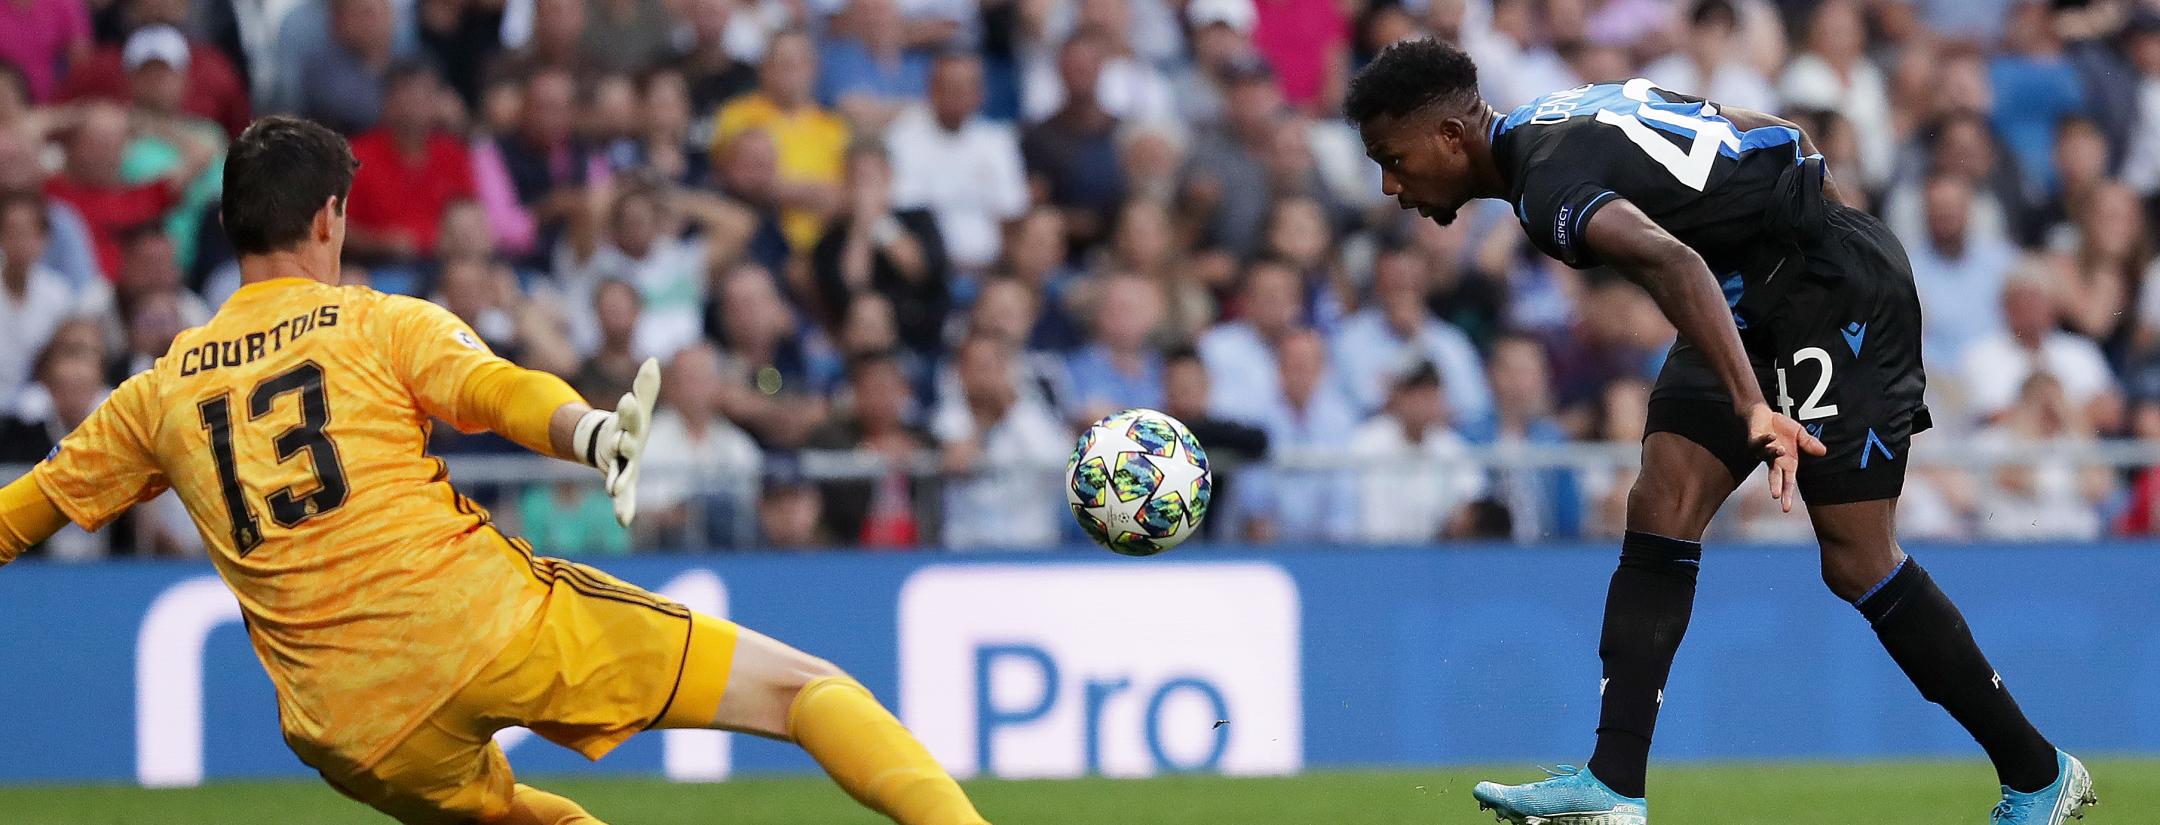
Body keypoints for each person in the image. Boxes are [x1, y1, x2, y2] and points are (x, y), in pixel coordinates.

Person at [0, 116, 992, 825]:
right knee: (809, 693)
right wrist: (590, 433)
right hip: (478, 624)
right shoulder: (376, 322)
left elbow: (19, 516)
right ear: (330, 220)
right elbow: (494, 390)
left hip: (351, 732)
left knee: (532, 819)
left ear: (228, 229)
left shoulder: (155, 391)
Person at [1346, 39, 2090, 825]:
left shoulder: (1544, 185)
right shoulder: (1557, 111)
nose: (1391, 186)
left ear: (1451, 138)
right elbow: (1769, 131)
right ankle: (1614, 787)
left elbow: (1675, 265)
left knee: (1856, 557)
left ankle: (2038, 774)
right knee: (1660, 501)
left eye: (1393, 159)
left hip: (1825, 293)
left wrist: (1755, 397)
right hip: (1750, 294)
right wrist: (1798, 217)